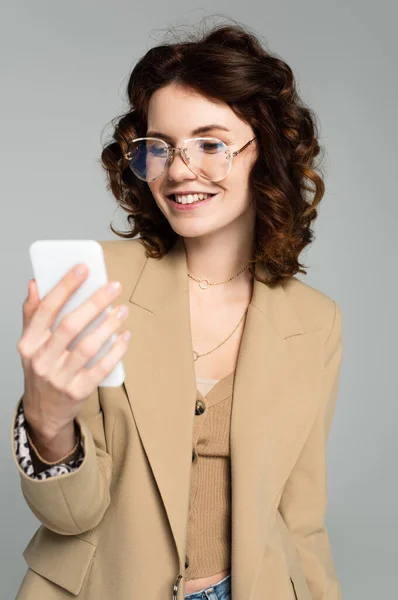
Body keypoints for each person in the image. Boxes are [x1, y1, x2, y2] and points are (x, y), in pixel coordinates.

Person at [11, 19, 344, 600]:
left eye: (209, 143)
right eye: (159, 148)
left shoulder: (316, 322)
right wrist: (48, 423)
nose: (179, 169)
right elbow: (70, 516)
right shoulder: (97, 283)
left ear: (264, 151)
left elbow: (301, 520)